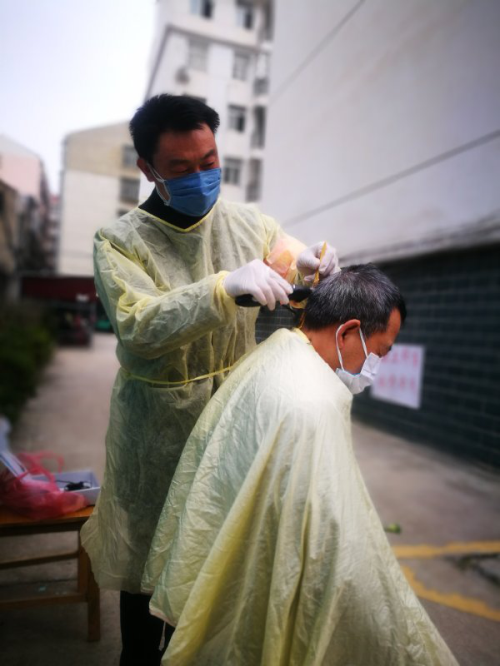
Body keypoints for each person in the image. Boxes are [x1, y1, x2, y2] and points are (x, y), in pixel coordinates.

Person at [80, 94, 338, 666]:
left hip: (233, 419)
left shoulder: (249, 225)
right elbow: (139, 325)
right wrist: (223, 289)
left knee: (216, 547)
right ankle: (140, 656)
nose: (201, 175)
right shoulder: (120, 242)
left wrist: (314, 262)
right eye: (181, 167)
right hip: (158, 428)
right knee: (148, 558)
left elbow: (291, 260)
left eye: (210, 161)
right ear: (148, 168)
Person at [142, 265, 458, 666]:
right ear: (347, 332)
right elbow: (325, 541)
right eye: (379, 352)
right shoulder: (311, 404)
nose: (376, 367)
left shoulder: (277, 350)